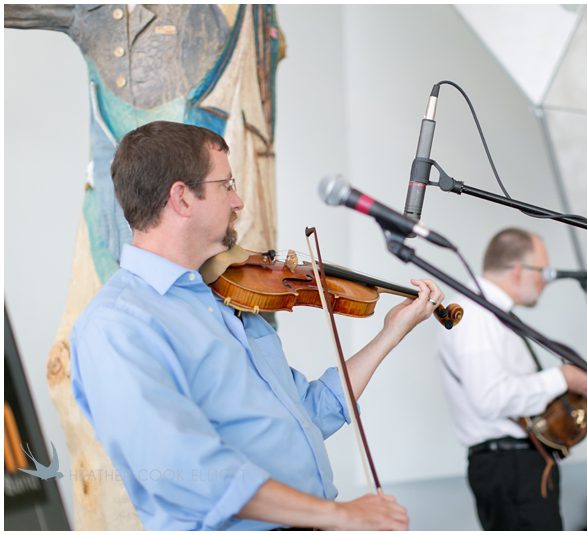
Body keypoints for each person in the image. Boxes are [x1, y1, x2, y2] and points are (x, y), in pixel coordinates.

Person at [70, 120, 445, 530]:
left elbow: (309, 413)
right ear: (182, 198)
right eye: (226, 185)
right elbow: (186, 472)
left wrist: (390, 333)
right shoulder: (117, 325)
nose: (238, 201)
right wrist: (340, 515)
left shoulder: (226, 300)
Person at [437, 227, 587, 530]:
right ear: (517, 270)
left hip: (519, 465)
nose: (546, 281)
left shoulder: (491, 313)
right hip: (511, 468)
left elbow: (522, 394)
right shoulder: (476, 314)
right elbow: (490, 398)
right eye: (543, 271)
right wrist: (562, 378)